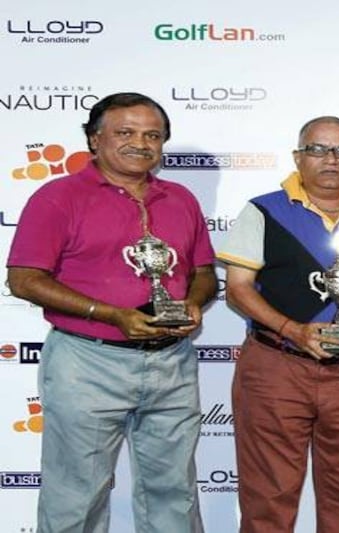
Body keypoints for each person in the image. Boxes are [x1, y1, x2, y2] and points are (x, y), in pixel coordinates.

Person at [7, 92, 216, 532]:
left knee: (174, 492)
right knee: (76, 495)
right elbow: (24, 279)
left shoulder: (180, 199)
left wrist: (194, 302)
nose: (140, 143)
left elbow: (202, 272)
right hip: (88, 362)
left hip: (171, 362)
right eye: (125, 132)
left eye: (152, 135)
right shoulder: (58, 197)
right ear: (94, 139)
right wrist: (110, 314)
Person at [217, 116, 339, 533]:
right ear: (298, 156)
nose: (332, 160)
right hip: (277, 367)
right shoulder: (264, 210)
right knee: (268, 496)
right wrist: (293, 330)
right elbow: (237, 289)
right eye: (319, 149)